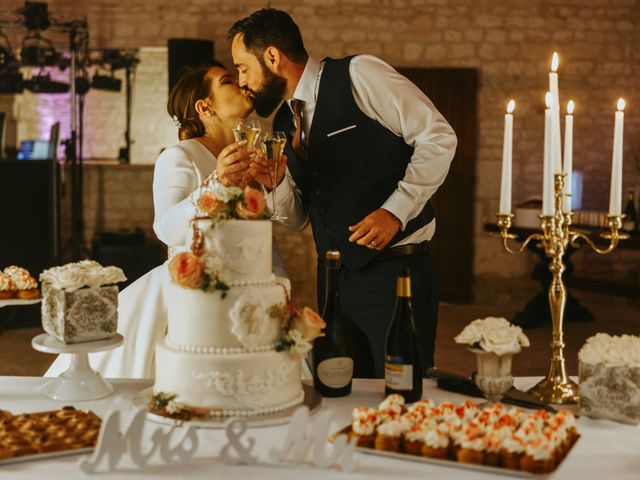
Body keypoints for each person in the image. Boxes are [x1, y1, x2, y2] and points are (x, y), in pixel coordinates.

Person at [229, 8, 457, 378]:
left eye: (242, 67)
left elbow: (439, 137)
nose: (242, 81)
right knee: (342, 393)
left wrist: (395, 211)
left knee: (402, 394)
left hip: (396, 274)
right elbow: (300, 217)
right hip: (334, 281)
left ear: (272, 57)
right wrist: (275, 184)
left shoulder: (359, 74)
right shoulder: (285, 122)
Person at [45, 61, 289, 379]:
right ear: (205, 107)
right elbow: (167, 228)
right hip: (191, 300)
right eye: (228, 81)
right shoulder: (179, 156)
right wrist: (217, 185)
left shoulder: (245, 157)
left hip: (246, 296)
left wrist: (280, 280)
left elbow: (255, 236)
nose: (241, 85)